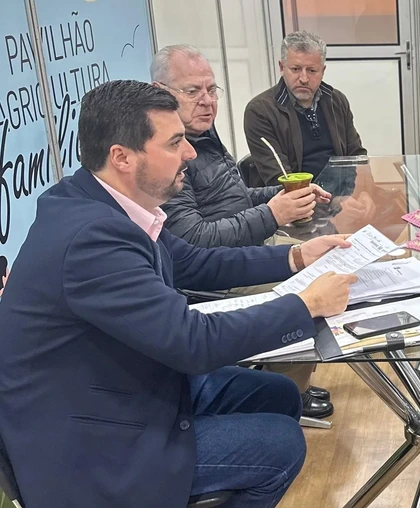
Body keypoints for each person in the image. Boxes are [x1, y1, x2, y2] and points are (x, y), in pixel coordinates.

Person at [0, 80, 358, 508]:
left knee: (279, 395)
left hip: (126, 385)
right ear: (122, 157)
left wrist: (297, 257)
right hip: (94, 443)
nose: (189, 153)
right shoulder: (93, 239)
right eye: (175, 143)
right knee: (281, 444)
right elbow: (192, 343)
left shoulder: (105, 203)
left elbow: (193, 262)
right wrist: (306, 304)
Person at [152, 44, 334, 419]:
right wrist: (271, 214)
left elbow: (233, 197)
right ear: (160, 92)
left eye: (211, 89)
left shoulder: (202, 134)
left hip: (247, 246)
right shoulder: (166, 156)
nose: (207, 101)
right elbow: (193, 243)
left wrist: (281, 195)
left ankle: (285, 380)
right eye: (192, 91)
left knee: (331, 261)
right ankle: (281, 394)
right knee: (308, 296)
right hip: (216, 271)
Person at [244, 30, 366, 187]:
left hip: (344, 194)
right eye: (295, 69)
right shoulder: (260, 111)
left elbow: (357, 157)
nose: (303, 78)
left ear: (323, 71)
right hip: (298, 201)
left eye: (312, 70)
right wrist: (335, 203)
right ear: (281, 68)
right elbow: (280, 179)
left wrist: (363, 193)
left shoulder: (336, 101)